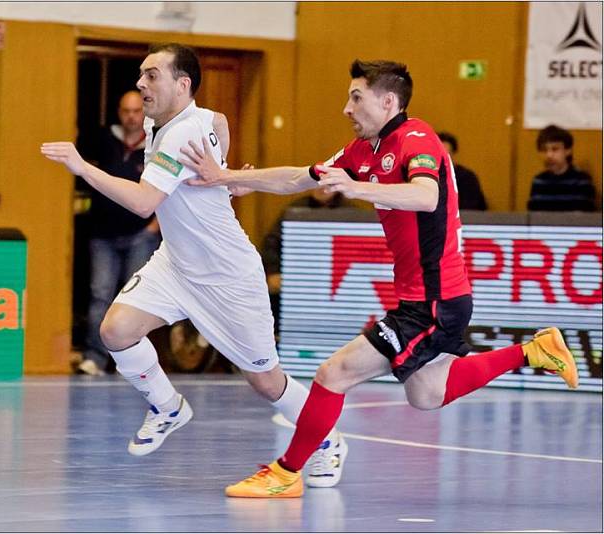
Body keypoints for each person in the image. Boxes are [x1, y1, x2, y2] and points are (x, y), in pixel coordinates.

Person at [180, 59, 579, 498]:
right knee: (426, 393)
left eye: (356, 98)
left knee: (334, 373)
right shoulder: (363, 151)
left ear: (388, 101)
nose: (346, 109)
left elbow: (427, 195)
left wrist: (359, 189)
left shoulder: (416, 138)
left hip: (434, 297)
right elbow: (301, 177)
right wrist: (231, 177)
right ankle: (536, 350)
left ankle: (286, 471)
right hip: (431, 297)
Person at [42, 43, 346, 488]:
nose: (141, 83)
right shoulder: (169, 121)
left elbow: (144, 202)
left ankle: (326, 439)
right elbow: (218, 121)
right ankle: (167, 407)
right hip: (177, 263)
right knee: (116, 331)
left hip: (228, 276)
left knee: (266, 382)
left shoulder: (182, 133)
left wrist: (81, 166)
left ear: (182, 85)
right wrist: (221, 157)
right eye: (141, 75)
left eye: (151, 76)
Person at [76, 91, 161, 376]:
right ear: (118, 112)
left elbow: (168, 189)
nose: (131, 116)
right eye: (126, 111)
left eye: (136, 111)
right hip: (102, 234)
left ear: (144, 113)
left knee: (136, 300)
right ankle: (95, 358)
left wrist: (154, 227)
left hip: (140, 233)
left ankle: (132, 365)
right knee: (100, 294)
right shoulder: (103, 141)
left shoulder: (155, 144)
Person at [262, 188, 343, 336]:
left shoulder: (350, 212)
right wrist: (274, 272)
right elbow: (272, 243)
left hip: (333, 283)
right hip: (296, 281)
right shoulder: (295, 209)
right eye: (317, 183)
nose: (321, 188)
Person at [527, 125, 597, 212]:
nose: (549, 155)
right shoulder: (538, 181)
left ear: (568, 151)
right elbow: (534, 217)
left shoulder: (581, 181)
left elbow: (586, 218)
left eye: (555, 149)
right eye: (544, 150)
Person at [437, 131, 487, 210]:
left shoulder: (467, 178)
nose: (443, 159)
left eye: (447, 155)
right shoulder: (427, 176)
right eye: (440, 155)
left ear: (453, 154)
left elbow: (470, 208)